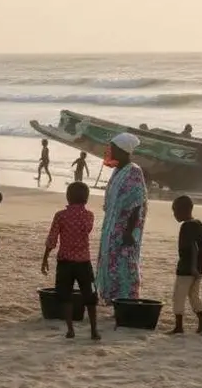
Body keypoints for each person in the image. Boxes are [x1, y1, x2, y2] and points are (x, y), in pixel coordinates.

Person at [40, 182, 100, 340]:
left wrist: (45, 258)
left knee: (65, 295)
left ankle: (70, 329)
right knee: (90, 296)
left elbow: (52, 239)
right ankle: (94, 330)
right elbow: (86, 230)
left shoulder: (60, 215)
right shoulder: (89, 216)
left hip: (65, 261)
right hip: (83, 262)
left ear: (68, 197)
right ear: (86, 199)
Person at [95, 132, 148, 305]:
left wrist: (128, 232)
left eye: (114, 149)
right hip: (112, 227)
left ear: (124, 151)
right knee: (111, 262)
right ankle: (113, 299)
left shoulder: (134, 172)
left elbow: (137, 204)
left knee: (125, 264)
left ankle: (127, 299)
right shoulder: (119, 171)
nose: (111, 152)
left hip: (125, 229)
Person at [168, 195, 202, 334]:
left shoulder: (186, 226)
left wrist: (192, 266)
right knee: (194, 295)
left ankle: (179, 326)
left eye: (175, 211)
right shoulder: (197, 223)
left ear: (183, 211)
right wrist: (200, 254)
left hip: (187, 268)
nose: (174, 214)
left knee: (178, 296)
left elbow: (192, 247)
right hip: (199, 267)